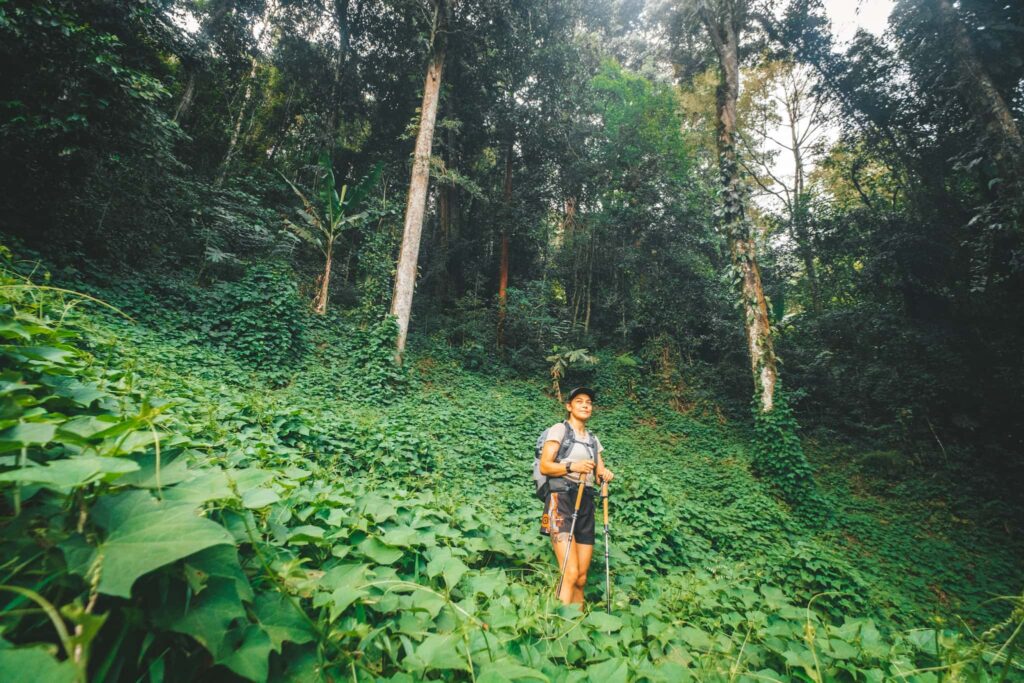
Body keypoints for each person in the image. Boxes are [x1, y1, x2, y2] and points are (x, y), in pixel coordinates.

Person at [538, 387, 615, 606]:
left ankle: (577, 628)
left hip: (586, 501)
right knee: (570, 572)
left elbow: (599, 473)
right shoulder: (559, 430)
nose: (585, 405)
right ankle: (557, 625)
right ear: (569, 406)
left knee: (581, 577)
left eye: (588, 402)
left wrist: (605, 475)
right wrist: (573, 466)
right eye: (579, 401)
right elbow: (545, 466)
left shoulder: (593, 440)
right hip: (560, 499)